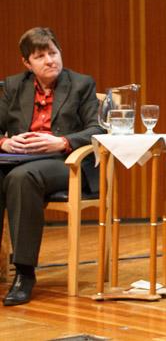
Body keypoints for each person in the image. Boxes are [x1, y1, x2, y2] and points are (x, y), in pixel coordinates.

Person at [0, 27, 103, 306]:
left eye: (53, 53)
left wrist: (61, 142)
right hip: (18, 160)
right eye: (40, 56)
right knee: (17, 175)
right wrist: (4, 143)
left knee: (21, 178)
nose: (50, 60)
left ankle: (24, 273)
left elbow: (98, 129)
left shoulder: (81, 84)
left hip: (64, 164)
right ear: (27, 63)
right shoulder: (13, 86)